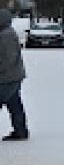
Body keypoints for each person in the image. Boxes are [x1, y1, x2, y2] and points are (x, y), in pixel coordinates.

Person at [0, 9, 28, 141]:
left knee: (14, 104)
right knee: (14, 104)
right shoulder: (7, 33)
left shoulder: (5, 36)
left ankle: (21, 131)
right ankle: (20, 131)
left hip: (6, 78)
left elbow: (8, 59)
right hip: (13, 76)